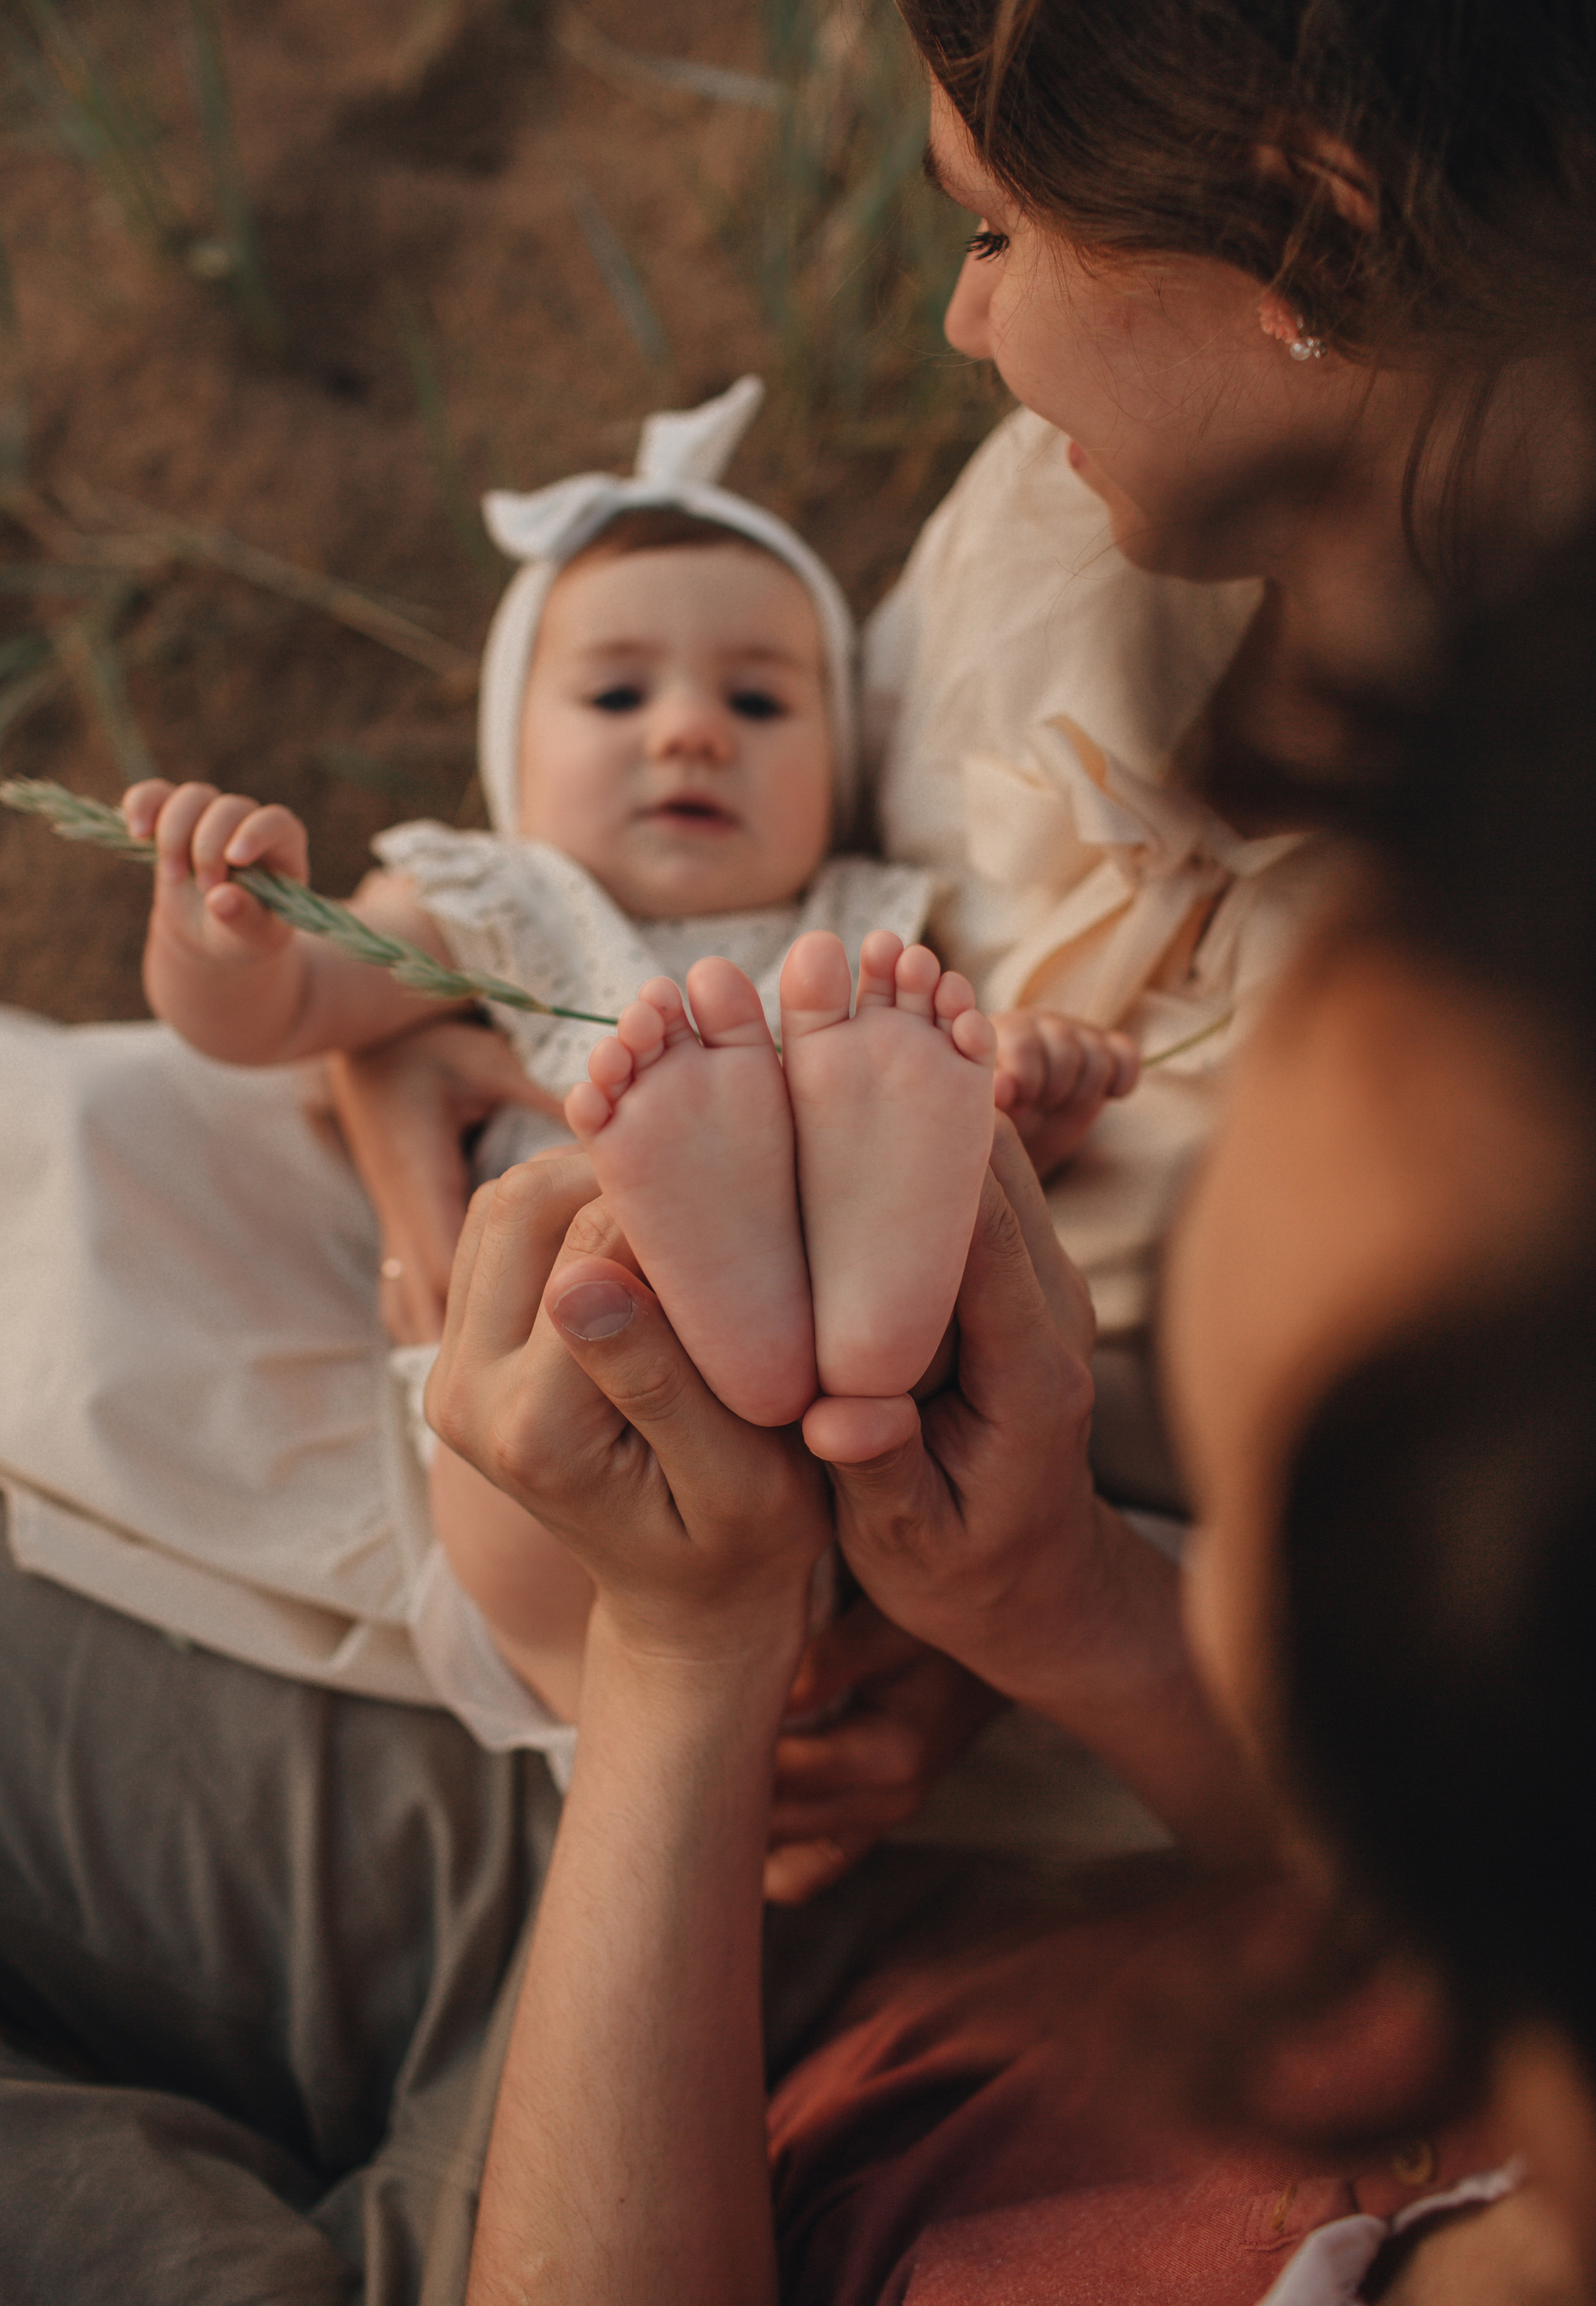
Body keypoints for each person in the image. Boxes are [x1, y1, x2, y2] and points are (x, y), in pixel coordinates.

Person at [6, 0, 1596, 2289]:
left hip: (751, 1901)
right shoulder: (1120, 534)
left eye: (987, 229)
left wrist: (739, 1667)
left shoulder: (1461, 1111)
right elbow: (589, 932)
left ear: (1307, 226)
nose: (958, 313)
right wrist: (416, 1097)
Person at [422, 539, 1596, 2306]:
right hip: (857, 1975)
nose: (1197, 1584)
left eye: (1252, 1514)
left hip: (592, 2088)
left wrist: (677, 1661)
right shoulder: (1510, 1966)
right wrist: (1049, 1593)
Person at [117, 372, 1130, 1724]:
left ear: (836, 765)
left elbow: (999, 1157)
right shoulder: (502, 901)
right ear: (513, 750)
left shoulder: (862, 935)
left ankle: (813, 1291)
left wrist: (1014, 1103)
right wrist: (227, 938)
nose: (691, 729)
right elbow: (283, 1016)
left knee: (926, 1220)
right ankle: (730, 1298)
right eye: (613, 696)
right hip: (565, 1414)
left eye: (762, 706)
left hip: (844, 1464)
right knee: (526, 1437)